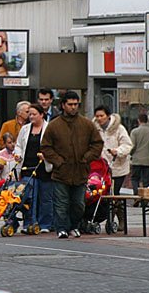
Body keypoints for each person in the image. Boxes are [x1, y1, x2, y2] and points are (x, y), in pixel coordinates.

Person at [41, 91, 103, 239]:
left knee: (78, 204)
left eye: (76, 104)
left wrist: (86, 158)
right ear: (63, 105)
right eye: (70, 104)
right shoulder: (54, 125)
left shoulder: (87, 124)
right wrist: (58, 161)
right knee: (61, 203)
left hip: (81, 171)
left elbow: (97, 144)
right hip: (61, 172)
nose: (73, 107)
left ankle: (74, 225)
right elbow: (46, 147)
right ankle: (62, 228)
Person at [15, 104, 54, 233]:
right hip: (28, 167)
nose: (31, 116)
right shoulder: (25, 129)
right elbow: (19, 145)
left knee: (45, 197)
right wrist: (18, 155)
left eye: (34, 114)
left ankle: (45, 224)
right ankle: (28, 223)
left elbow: (56, 146)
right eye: (29, 114)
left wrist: (46, 155)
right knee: (28, 196)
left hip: (44, 167)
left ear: (41, 115)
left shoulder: (50, 129)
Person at [92, 105, 133, 195]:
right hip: (100, 168)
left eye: (102, 116)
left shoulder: (119, 129)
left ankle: (116, 208)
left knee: (114, 193)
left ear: (108, 116)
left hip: (117, 167)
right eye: (97, 116)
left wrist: (118, 151)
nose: (99, 118)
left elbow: (127, 144)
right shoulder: (93, 129)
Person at [129, 113, 149, 190]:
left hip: (137, 159)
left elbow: (132, 145)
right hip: (148, 160)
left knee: (135, 179)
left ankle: (136, 195)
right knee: (146, 180)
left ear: (138, 120)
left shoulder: (134, 132)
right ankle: (145, 199)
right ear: (147, 120)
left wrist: (130, 154)